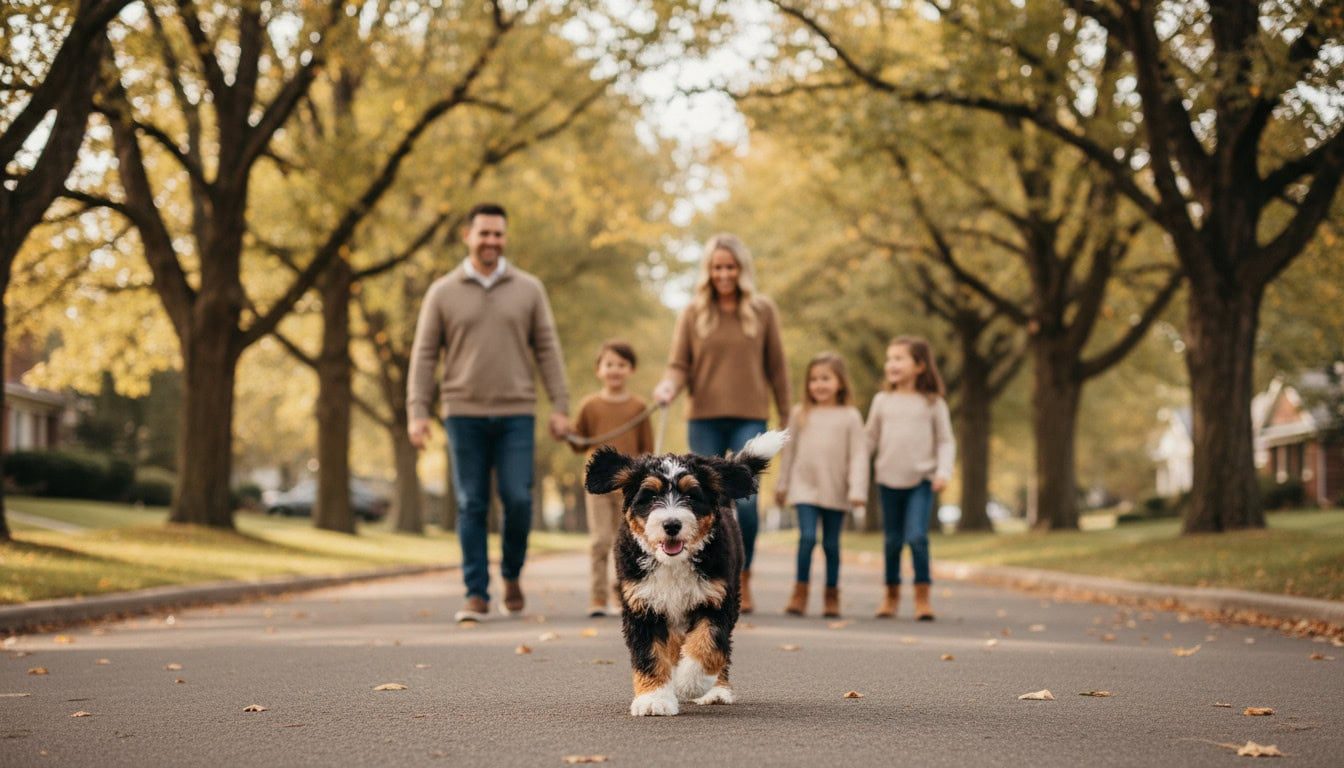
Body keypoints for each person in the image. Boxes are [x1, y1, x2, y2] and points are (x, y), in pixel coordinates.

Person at [406, 202, 571, 623]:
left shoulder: (529, 289)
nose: (491, 241)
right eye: (484, 233)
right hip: (463, 412)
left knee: (518, 499)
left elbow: (548, 350)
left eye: (498, 234)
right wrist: (417, 411)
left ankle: (511, 573)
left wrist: (560, 406)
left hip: (517, 411)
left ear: (505, 237)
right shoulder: (442, 291)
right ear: (468, 236)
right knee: (471, 503)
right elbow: (424, 355)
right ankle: (476, 592)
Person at [652, 233, 790, 613]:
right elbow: (679, 364)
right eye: (717, 268)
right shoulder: (692, 313)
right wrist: (668, 386)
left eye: (730, 267)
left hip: (750, 415)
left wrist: (787, 415)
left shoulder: (762, 310)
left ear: (741, 269)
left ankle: (742, 576)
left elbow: (778, 368)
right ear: (708, 271)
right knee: (706, 502)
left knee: (746, 503)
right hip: (704, 417)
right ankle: (711, 578)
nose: (724, 274)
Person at [866, 336, 955, 621]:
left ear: (919, 366)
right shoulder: (882, 401)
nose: (891, 364)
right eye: (889, 359)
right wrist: (855, 469)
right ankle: (891, 595)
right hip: (887, 480)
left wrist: (943, 472)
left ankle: (922, 597)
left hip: (921, 480)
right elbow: (869, 439)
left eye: (899, 358)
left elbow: (945, 441)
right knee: (892, 541)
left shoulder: (933, 403)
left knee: (917, 537)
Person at [774, 352, 868, 618]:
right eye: (813, 379)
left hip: (835, 488)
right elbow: (789, 452)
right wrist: (782, 484)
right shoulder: (800, 413)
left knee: (831, 544)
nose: (819, 384)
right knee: (807, 538)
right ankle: (799, 592)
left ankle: (831, 594)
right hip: (803, 487)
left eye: (825, 378)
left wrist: (857, 489)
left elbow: (859, 455)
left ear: (840, 382)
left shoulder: (850, 416)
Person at [569, 340, 654, 617]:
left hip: (629, 488)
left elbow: (647, 449)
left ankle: (622, 594)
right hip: (597, 485)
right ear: (599, 370)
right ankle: (597, 596)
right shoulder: (589, 405)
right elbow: (579, 443)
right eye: (609, 364)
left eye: (621, 364)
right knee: (600, 540)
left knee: (627, 541)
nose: (615, 369)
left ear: (631, 369)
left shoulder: (639, 407)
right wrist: (566, 432)